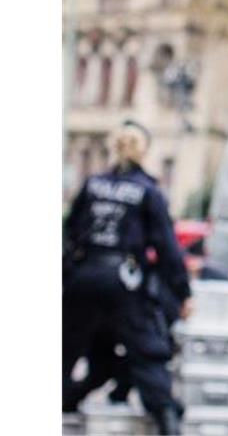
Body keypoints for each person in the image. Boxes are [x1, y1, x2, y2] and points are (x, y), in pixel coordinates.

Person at [63, 120, 192, 434]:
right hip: (124, 281)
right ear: (144, 151)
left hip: (84, 278)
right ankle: (167, 419)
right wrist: (183, 292)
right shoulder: (147, 191)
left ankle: (66, 398)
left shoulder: (93, 184)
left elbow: (70, 234)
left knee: (68, 348)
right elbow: (167, 247)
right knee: (147, 351)